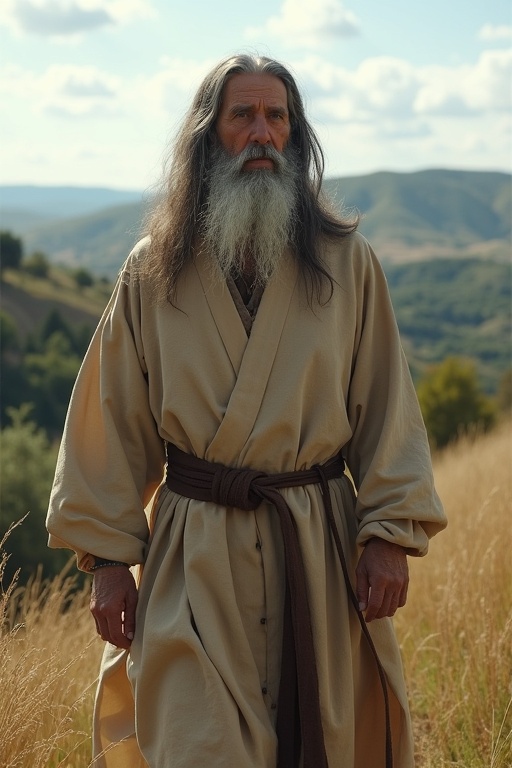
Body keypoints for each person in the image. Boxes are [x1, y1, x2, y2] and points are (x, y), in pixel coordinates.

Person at [46, 53, 447, 768]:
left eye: (277, 117)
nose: (262, 133)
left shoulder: (348, 263)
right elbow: (112, 421)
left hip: (316, 551)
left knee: (320, 745)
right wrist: (108, 561)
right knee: (197, 747)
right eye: (243, 116)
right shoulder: (152, 269)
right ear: (209, 136)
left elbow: (388, 405)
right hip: (192, 559)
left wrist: (389, 532)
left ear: (295, 136)